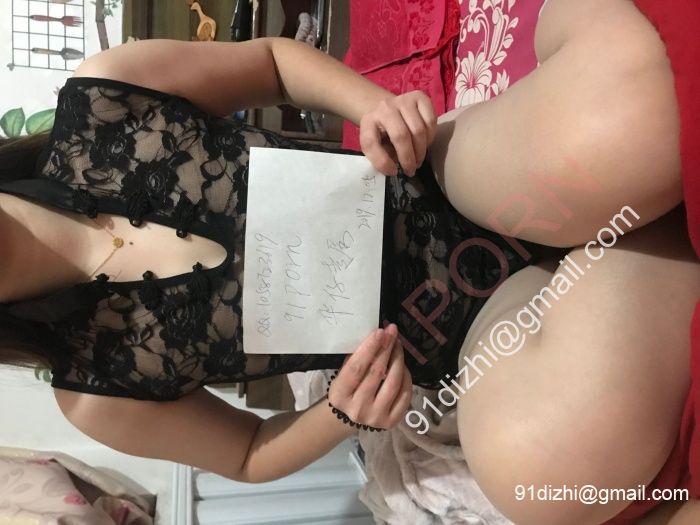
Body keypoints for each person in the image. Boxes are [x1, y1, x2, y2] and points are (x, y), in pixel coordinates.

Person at [0, 0, 697, 522]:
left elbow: (273, 64)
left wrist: (374, 108)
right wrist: (341, 412)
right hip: (462, 334)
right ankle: (648, 227)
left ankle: (628, 192)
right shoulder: (93, 395)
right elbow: (248, 453)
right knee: (545, 479)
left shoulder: (104, 96)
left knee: (627, 118)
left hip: (446, 176)